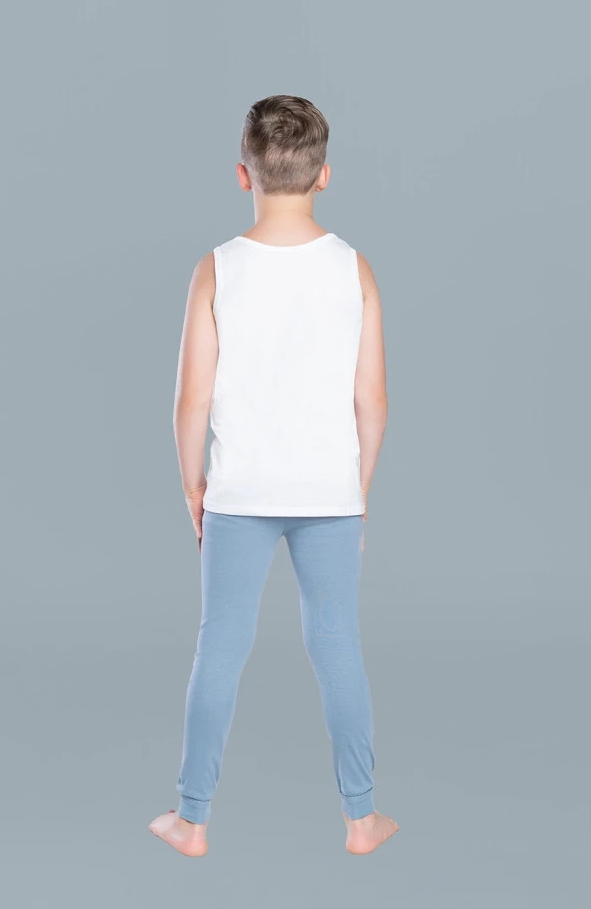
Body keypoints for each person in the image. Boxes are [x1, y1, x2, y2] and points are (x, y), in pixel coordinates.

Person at [149, 95, 399, 856]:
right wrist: (358, 492)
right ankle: (362, 820)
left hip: (239, 494)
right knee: (337, 646)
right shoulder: (353, 268)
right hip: (329, 493)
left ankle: (191, 820)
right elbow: (372, 400)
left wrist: (193, 488)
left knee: (220, 648)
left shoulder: (217, 269)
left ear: (243, 174)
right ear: (324, 175)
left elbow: (191, 399)